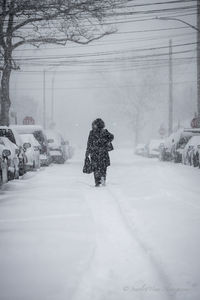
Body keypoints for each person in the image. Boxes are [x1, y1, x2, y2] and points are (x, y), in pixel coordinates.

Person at [85, 118, 114, 187]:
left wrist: (87, 152)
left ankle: (98, 182)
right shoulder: (103, 131)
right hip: (102, 153)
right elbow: (111, 137)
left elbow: (89, 143)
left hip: (95, 153)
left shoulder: (93, 132)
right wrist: (106, 141)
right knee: (102, 168)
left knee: (97, 168)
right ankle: (101, 180)